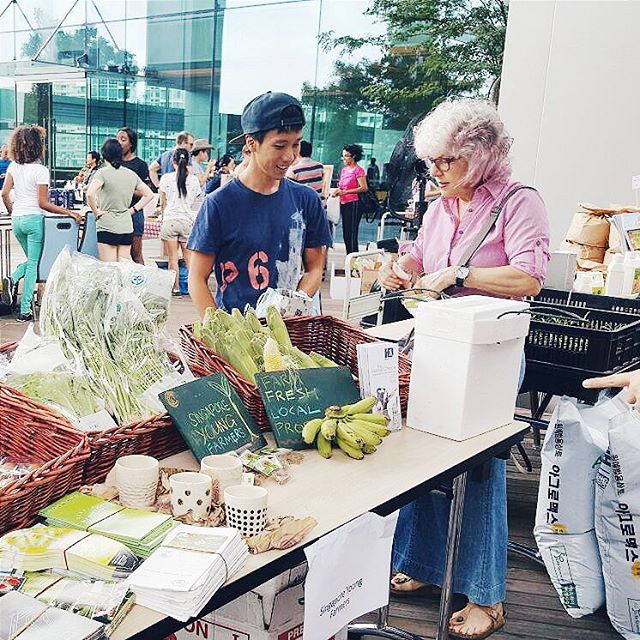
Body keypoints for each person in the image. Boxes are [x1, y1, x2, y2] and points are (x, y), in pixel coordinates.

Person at [378, 98, 550, 640]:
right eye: (431, 161)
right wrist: (399, 268)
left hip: (492, 353)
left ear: (479, 157)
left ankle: (486, 593)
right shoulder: (438, 206)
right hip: (436, 341)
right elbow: (419, 260)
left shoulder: (519, 202)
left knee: (481, 464)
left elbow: (528, 279)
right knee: (422, 453)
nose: (436, 172)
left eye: (447, 161)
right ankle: (427, 565)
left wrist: (460, 273)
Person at [187, 91, 332, 316]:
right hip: (237, 333)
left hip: (289, 333)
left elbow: (314, 268)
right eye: (280, 145)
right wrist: (223, 332)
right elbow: (197, 278)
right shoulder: (219, 204)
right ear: (252, 143)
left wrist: (292, 307)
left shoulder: (307, 200)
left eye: (296, 145)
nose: (290, 156)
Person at [0, 126, 83, 321]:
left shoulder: (13, 167)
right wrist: (69, 212)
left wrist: (13, 211)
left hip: (17, 220)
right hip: (34, 220)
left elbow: (4, 193)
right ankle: (25, 310)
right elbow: (43, 203)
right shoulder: (41, 170)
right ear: (38, 146)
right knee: (33, 265)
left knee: (31, 262)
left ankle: (11, 280)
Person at [86, 137, 154, 263]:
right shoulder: (130, 174)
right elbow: (149, 194)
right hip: (126, 225)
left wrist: (96, 212)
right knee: (124, 268)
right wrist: (133, 210)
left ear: (104, 155)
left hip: (107, 225)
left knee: (110, 269)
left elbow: (89, 194)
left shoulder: (102, 173)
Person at [159, 148, 201, 296]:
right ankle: (193, 288)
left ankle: (175, 288)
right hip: (187, 221)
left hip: (170, 220)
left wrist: (163, 217)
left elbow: (163, 203)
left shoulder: (165, 178)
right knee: (189, 258)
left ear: (173, 161)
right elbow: (194, 201)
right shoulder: (194, 180)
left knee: (173, 259)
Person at [117, 127, 151, 264]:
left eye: (123, 139)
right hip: (115, 213)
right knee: (117, 253)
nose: (119, 142)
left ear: (131, 143)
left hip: (134, 212)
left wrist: (127, 190)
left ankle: (141, 283)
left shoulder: (140, 164)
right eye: (117, 139)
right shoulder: (113, 163)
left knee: (135, 253)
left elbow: (146, 191)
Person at [330, 143, 368, 255]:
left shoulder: (358, 170)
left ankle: (354, 259)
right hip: (343, 202)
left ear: (354, 156)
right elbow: (342, 186)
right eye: (343, 156)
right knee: (346, 232)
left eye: (346, 156)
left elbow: (364, 187)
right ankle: (350, 257)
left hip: (354, 203)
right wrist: (338, 191)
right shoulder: (344, 170)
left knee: (351, 233)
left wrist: (346, 192)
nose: (344, 158)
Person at [0, 145, 10, 214]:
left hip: (8, 185)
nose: (6, 154)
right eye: (5, 152)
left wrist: (6, 175)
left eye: (7, 152)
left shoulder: (11, 163)